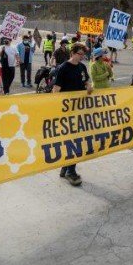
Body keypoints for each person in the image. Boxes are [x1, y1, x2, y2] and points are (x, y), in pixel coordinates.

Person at [52, 42, 93, 185]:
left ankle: (66, 168)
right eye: (80, 54)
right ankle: (71, 171)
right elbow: (56, 90)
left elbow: (86, 80)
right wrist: (55, 110)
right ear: (73, 53)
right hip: (67, 110)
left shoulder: (82, 67)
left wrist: (89, 86)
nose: (82, 57)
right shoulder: (63, 68)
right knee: (74, 141)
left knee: (76, 139)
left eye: (84, 54)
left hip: (79, 109)